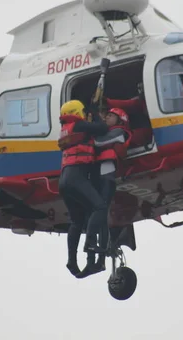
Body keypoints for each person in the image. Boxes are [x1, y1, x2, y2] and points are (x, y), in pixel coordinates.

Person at [76, 107, 132, 278]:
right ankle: (98, 260)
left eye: (111, 116)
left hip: (106, 178)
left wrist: (94, 125)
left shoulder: (118, 132)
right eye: (106, 115)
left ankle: (97, 256)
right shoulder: (108, 131)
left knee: (100, 213)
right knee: (100, 217)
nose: (107, 117)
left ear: (120, 120)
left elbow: (98, 143)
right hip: (97, 177)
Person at [57, 99, 109, 277]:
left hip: (64, 181)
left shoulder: (66, 129)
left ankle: (72, 260)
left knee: (76, 222)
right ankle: (89, 244)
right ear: (77, 112)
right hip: (76, 177)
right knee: (100, 207)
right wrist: (95, 113)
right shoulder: (79, 125)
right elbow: (102, 129)